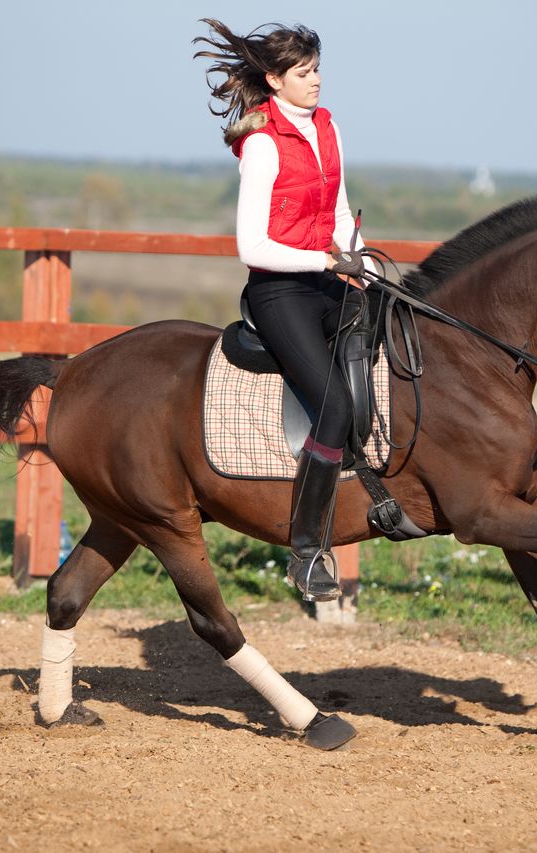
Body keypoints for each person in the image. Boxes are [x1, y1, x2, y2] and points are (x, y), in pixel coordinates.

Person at [194, 19, 371, 602]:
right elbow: (252, 247)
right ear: (274, 81)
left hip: (330, 278)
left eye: (318, 69)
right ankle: (307, 550)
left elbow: (341, 208)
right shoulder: (263, 144)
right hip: (279, 292)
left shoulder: (328, 126)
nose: (316, 81)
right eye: (304, 73)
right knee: (333, 402)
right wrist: (325, 264)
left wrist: (358, 258)